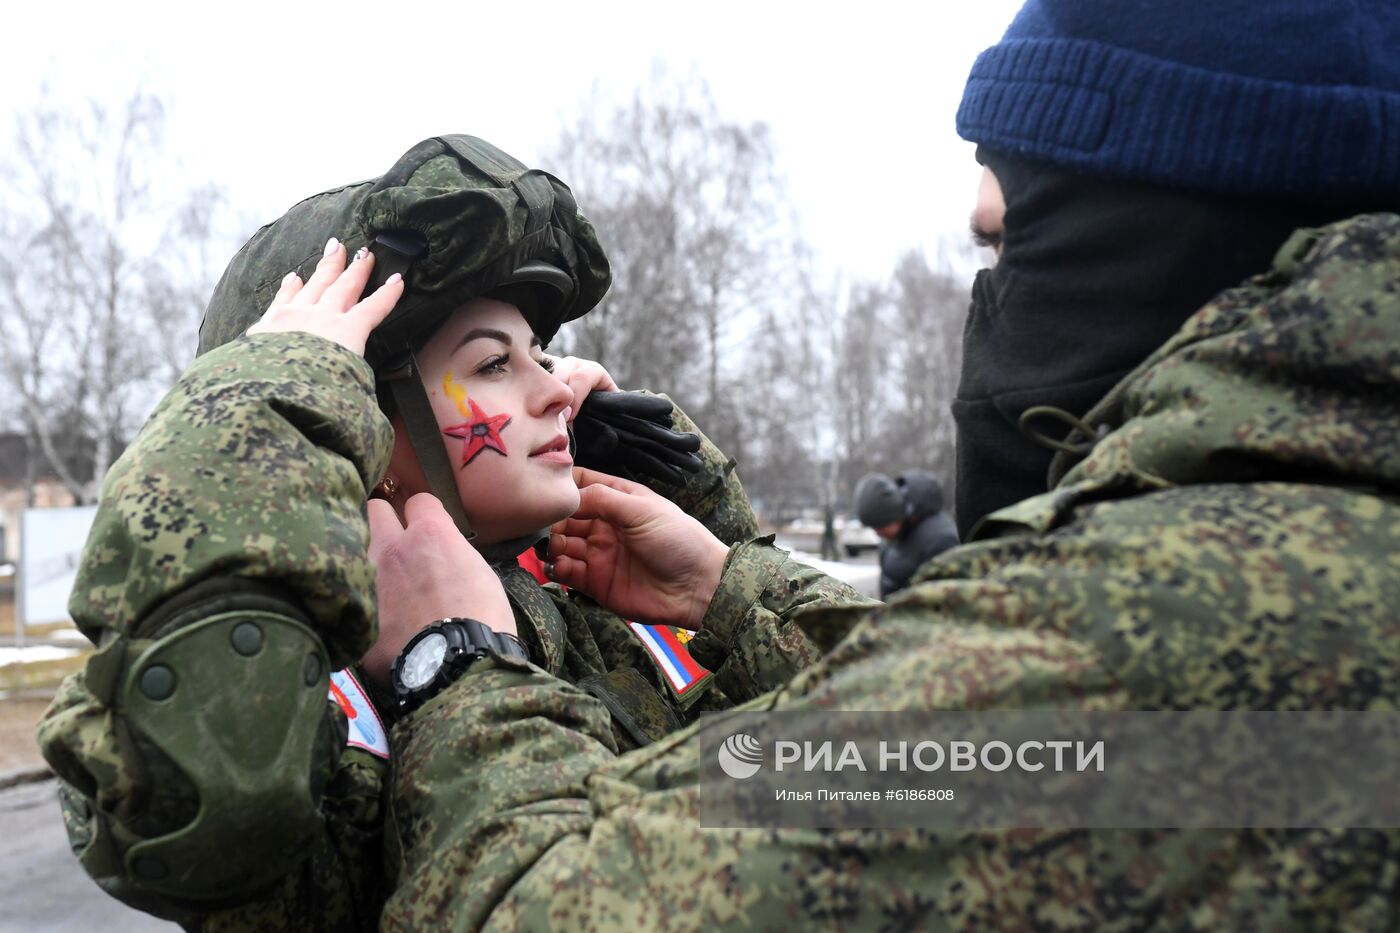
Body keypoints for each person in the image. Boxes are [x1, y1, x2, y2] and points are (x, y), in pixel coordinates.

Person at [310, 2, 1394, 928]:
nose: (557, 387)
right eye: (497, 361)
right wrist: (725, 587)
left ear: (1160, 243)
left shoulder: (1130, 638)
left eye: (1003, 246)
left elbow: (555, 902)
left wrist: (451, 671)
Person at [36, 135, 870, 929]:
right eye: (493, 365)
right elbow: (198, 800)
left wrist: (721, 577)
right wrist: (272, 407)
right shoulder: (318, 698)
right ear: (362, 419)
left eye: (541, 354)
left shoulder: (600, 614)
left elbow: (917, 767)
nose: (557, 393)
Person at [853, 470, 958, 597]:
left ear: (895, 516)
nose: (877, 533)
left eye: (880, 526)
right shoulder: (894, 536)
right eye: (873, 527)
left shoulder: (941, 540)